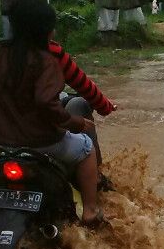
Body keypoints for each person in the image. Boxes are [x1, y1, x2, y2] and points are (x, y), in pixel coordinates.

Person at [0, 0, 104, 226]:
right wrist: (75, 122)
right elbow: (46, 103)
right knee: (86, 150)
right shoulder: (45, 61)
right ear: (45, 31)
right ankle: (90, 210)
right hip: (41, 143)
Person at [48, 38, 116, 186]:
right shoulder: (51, 53)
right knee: (86, 147)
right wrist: (105, 108)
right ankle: (91, 206)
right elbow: (84, 86)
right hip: (40, 140)